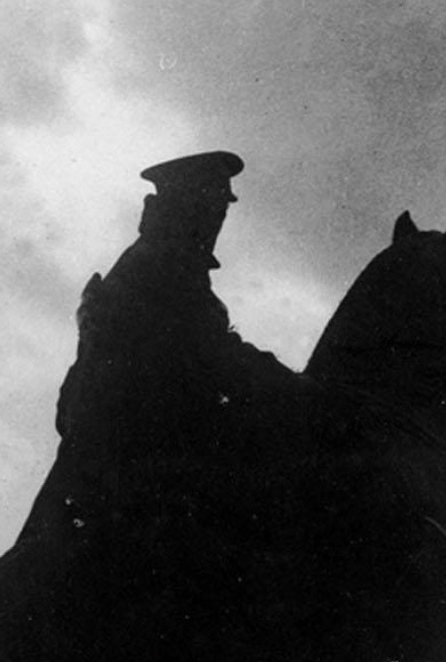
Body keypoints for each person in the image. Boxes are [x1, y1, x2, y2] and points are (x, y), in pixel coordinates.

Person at [49, 151, 307, 538]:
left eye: (222, 208)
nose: (218, 218)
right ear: (185, 205)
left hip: (104, 458)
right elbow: (213, 353)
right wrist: (298, 390)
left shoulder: (163, 260)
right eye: (213, 205)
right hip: (140, 463)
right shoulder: (166, 264)